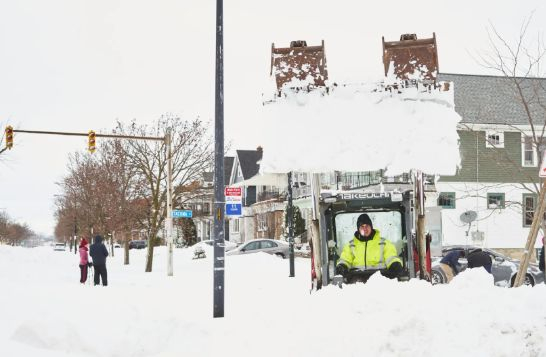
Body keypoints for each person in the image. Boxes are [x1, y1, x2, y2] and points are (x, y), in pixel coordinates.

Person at [335, 213, 403, 282]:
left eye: (367, 226)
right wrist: (342, 266)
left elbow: (391, 257)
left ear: (371, 227)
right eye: (362, 226)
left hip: (379, 276)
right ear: (358, 229)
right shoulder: (351, 245)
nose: (365, 229)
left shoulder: (383, 243)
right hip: (357, 276)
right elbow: (345, 259)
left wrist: (394, 264)